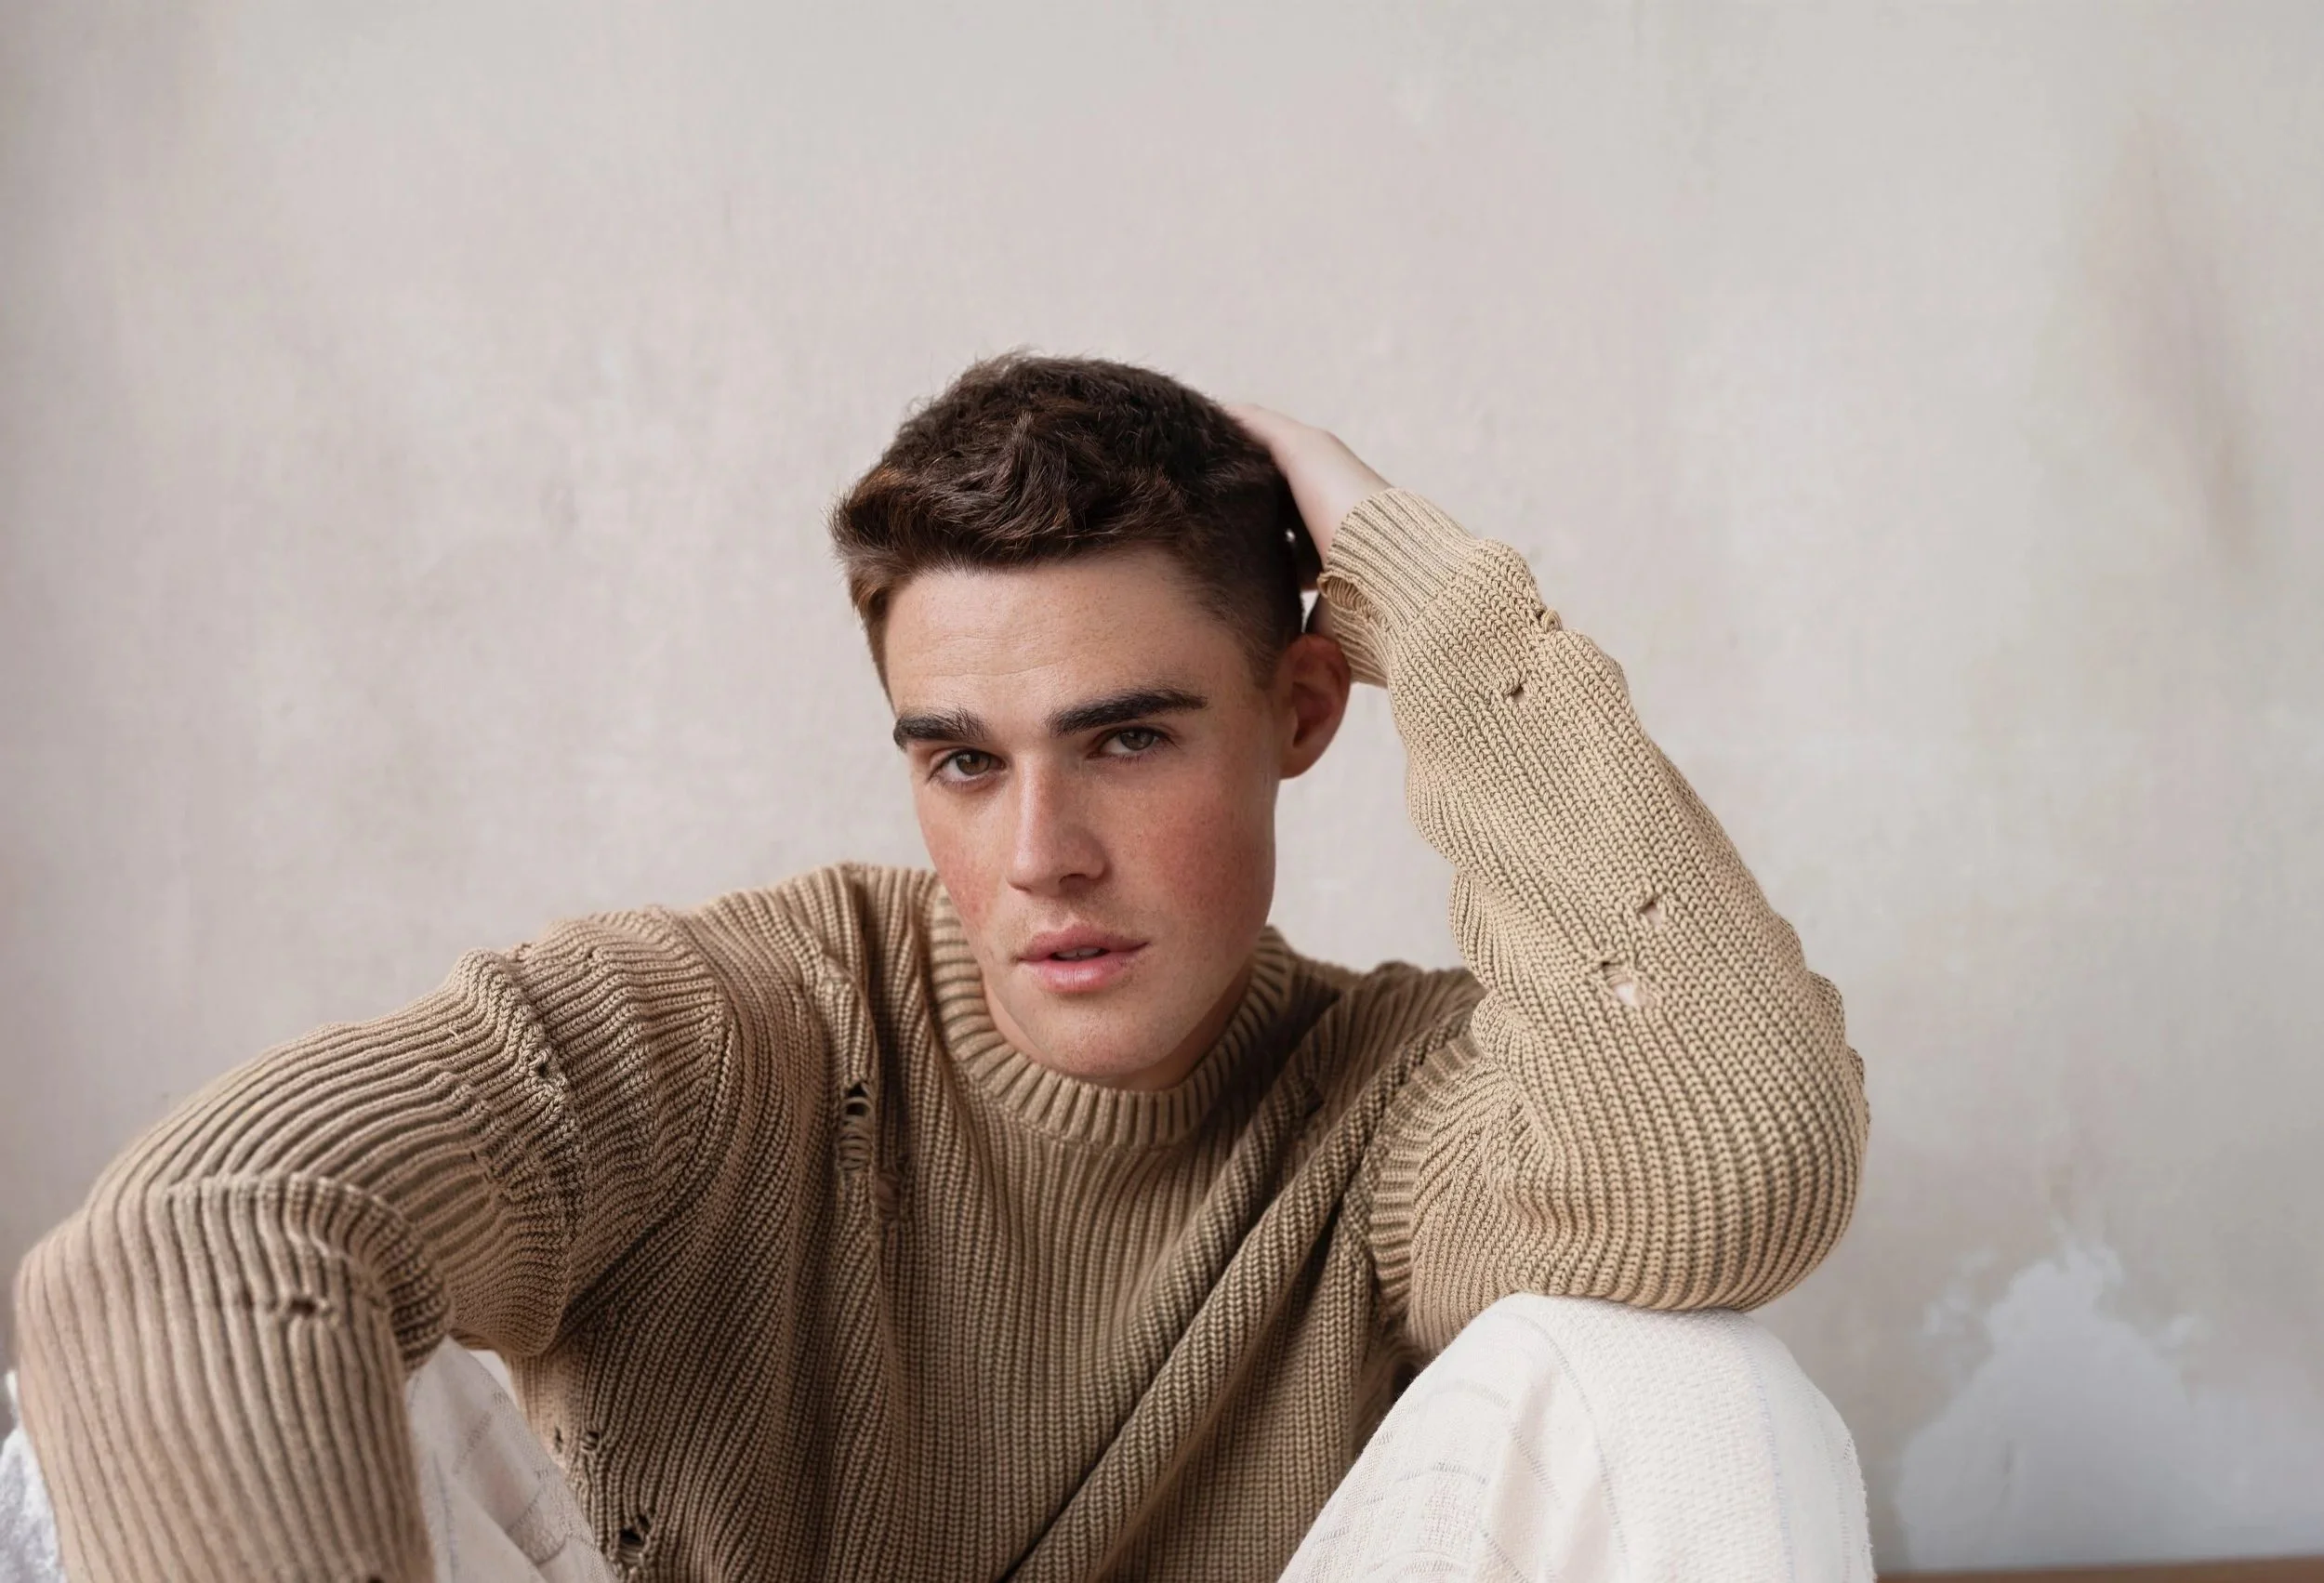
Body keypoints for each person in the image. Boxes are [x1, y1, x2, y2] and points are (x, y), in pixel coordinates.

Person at [7, 355, 1871, 1582]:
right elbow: (192, 1236)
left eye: (1127, 739)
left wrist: (1448, 616)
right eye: (960, 758)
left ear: (1301, 710)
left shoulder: (1392, 1115)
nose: (1038, 849)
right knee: (129, 1417)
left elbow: (1742, 1162)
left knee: (1684, 1385)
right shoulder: (733, 1024)